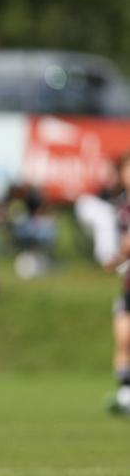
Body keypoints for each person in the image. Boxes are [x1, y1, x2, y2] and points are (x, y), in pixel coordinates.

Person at [104, 151, 130, 415]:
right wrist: (116, 258)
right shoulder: (120, 207)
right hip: (128, 286)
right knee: (123, 339)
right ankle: (125, 394)